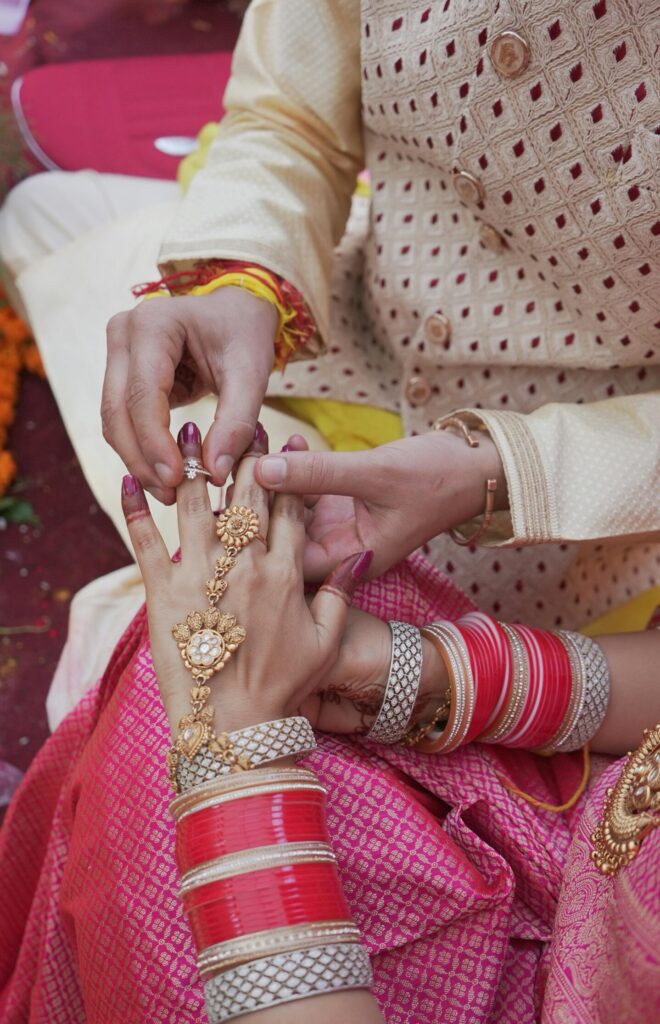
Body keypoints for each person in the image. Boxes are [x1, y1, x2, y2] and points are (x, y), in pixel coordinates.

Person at [0, 0, 658, 636]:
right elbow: (292, 115)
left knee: (178, 656)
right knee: (40, 213)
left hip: (559, 496)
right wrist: (244, 278)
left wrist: (499, 470)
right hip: (354, 322)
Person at [1, 421, 659, 1023]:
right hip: (581, 817)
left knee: (182, 746)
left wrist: (240, 756)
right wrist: (422, 673)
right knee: (241, 623)